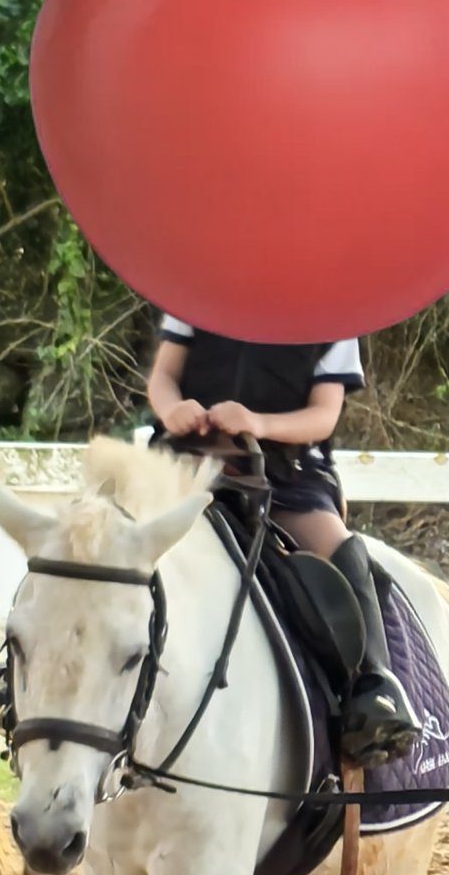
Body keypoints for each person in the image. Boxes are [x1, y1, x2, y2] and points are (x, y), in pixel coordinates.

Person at [145, 316, 420, 765]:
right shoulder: (193, 292)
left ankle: (374, 685)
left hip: (281, 474)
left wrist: (257, 422)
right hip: (184, 462)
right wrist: (172, 409)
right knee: (100, 532)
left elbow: (323, 416)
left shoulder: (332, 315)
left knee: (338, 549)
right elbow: (164, 376)